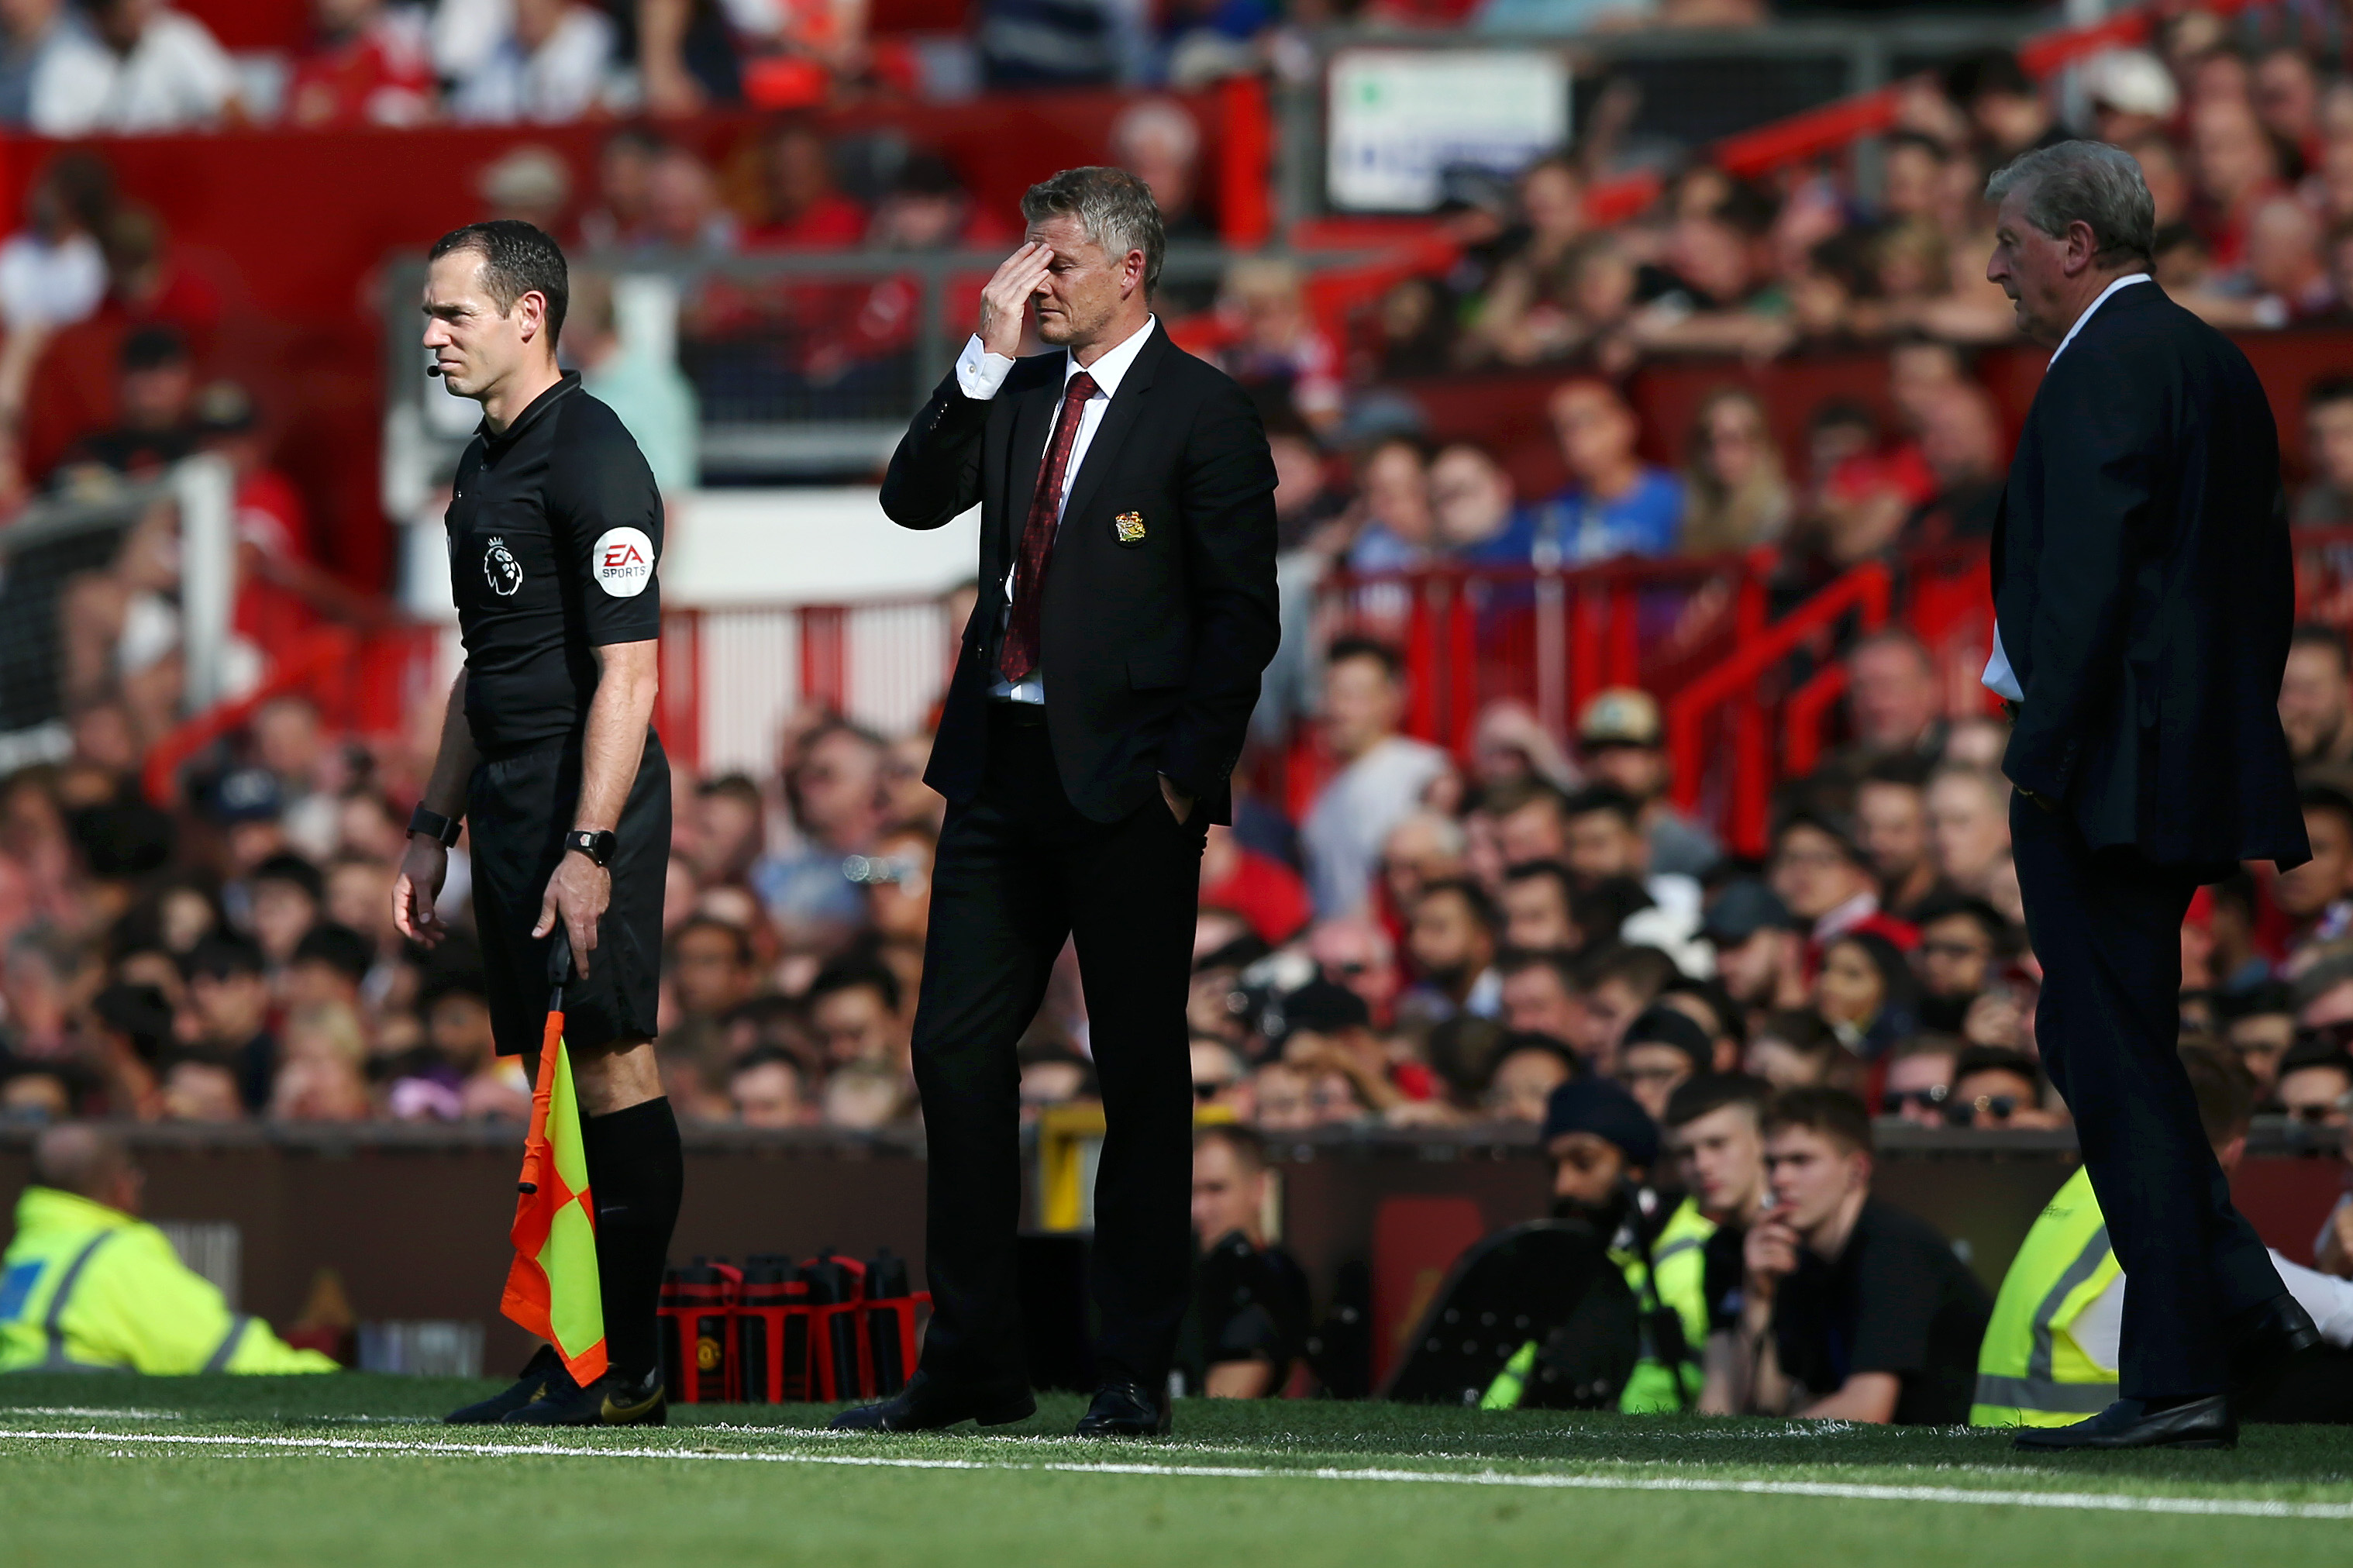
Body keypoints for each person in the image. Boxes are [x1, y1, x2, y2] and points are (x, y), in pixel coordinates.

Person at [834, 167, 1278, 1442]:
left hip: (1131, 783)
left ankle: (1132, 1368)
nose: (1031, 284)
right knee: (953, 1051)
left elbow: (1241, 616)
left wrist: (1185, 775)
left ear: (1131, 268)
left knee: (1137, 1068)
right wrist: (979, 355)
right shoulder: (1017, 382)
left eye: (1058, 262)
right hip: (1000, 769)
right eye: (1025, 259)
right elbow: (913, 497)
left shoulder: (1204, 412)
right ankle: (973, 1359)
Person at [1983, 140, 2315, 1450]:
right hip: (2171, 760)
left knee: (2113, 1057)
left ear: (2075, 240)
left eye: (2009, 239)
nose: (1994, 267)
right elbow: (2259, 579)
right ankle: (2236, 1292)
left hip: (2107, 775)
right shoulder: (2209, 360)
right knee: (2092, 1035)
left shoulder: (2108, 363)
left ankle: (2179, 1368)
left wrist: (2045, 761)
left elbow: (2087, 586)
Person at [394, 220, 679, 1428]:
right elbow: (483, 661)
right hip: (506, 792)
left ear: (529, 317)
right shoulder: (483, 460)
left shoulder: (594, 454)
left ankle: (629, 1363)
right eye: (428, 312)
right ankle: (576, 1348)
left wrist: (590, 844)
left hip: (582, 791)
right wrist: (430, 819)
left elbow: (630, 673)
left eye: (453, 312)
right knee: (553, 1078)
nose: (430, 336)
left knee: (612, 1058)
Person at [1974, 1047, 2353, 1427]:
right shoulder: (2175, 1217)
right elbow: (2340, 1315)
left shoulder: (2085, 1190)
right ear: (2235, 1151)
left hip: (2004, 1443)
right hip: (2082, 1459)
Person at [1717, 1087, 1990, 1423]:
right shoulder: (1803, 1259)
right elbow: (1767, 1401)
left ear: (1857, 1170)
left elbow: (1866, 1411)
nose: (1780, 1179)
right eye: (1772, 1163)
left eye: (1801, 1161)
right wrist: (1759, 1295)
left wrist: (1755, 1439)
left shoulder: (1894, 1248)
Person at [0, 1124, 336, 1373]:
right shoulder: (118, 1256)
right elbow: (223, 1354)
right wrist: (329, 1380)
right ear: (121, 1185)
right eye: (134, 1174)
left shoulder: (29, 1250)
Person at [1301, 639, 1450, 919]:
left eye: (1352, 694)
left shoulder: (1423, 774)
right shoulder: (1326, 795)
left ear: (1394, 697)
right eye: (1330, 693)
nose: (1336, 708)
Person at [1182, 1124, 1310, 1399]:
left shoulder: (1265, 1280)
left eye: (1216, 1189)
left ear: (1259, 1188)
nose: (1198, 1209)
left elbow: (1221, 1403)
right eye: (1188, 1192)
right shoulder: (1193, 1271)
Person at [1574, 688, 1720, 880]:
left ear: (1659, 761)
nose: (1607, 761)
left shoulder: (1691, 853)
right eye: (1595, 750)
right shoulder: (1569, 843)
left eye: (1627, 747)